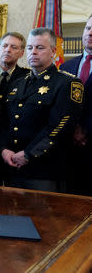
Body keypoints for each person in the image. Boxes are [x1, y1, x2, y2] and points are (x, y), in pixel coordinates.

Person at [0, 28, 83, 192]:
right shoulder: (18, 83)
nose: (34, 52)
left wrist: (29, 154)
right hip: (12, 166)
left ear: (53, 51)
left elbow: (59, 127)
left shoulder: (67, 83)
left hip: (43, 169)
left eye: (40, 48)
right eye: (30, 48)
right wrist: (3, 149)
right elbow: (4, 121)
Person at [59, 14, 92, 195]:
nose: (90, 33)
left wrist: (85, 130)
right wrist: (72, 129)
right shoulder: (66, 66)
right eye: (87, 28)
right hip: (68, 145)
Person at [0, 32, 29, 101]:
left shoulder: (27, 77)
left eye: (14, 47)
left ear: (21, 53)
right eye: (5, 46)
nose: (8, 50)